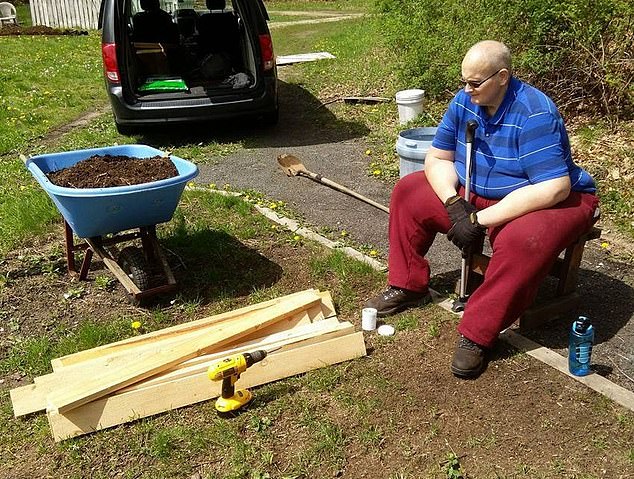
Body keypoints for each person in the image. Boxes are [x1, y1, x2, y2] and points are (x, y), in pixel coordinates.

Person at [365, 40, 599, 379]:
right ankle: (407, 284)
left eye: (475, 82)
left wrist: (477, 219)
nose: (466, 89)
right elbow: (438, 157)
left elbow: (553, 187)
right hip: (483, 191)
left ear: (502, 77)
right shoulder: (466, 101)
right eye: (464, 81)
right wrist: (453, 203)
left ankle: (477, 333)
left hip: (550, 199)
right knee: (408, 191)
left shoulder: (534, 113)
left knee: (524, 240)